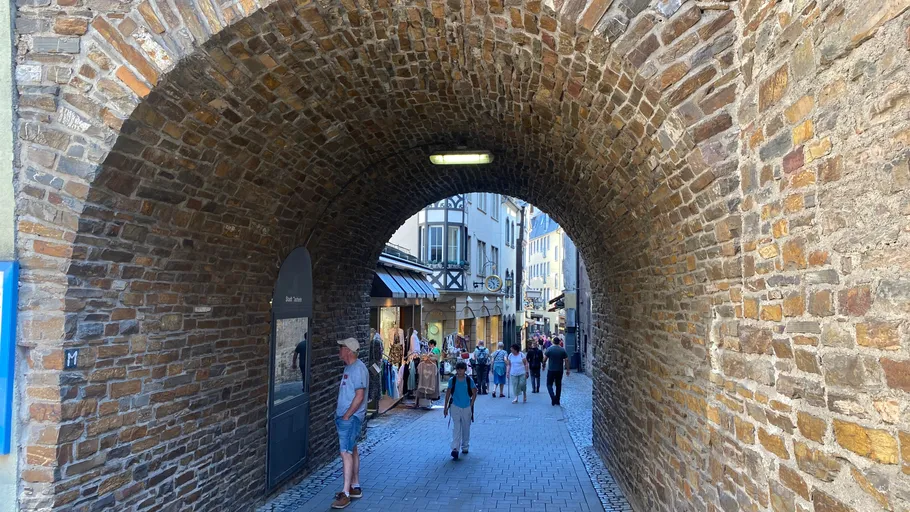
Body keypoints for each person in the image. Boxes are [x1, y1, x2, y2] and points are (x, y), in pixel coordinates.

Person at [331, 338, 369, 510]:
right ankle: (354, 486)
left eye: (341, 347)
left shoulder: (358, 369)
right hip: (348, 418)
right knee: (352, 450)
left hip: (350, 418)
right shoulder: (350, 367)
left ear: (348, 350)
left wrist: (347, 415)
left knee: (345, 452)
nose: (339, 350)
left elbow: (359, 396)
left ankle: (345, 493)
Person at [443, 361, 476, 460]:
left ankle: (465, 446)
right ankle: (455, 448)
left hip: (466, 407)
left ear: (465, 370)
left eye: (462, 369)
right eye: (458, 369)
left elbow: (475, 393)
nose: (460, 371)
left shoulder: (469, 380)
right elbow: (448, 394)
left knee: (466, 427)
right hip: (455, 406)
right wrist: (445, 407)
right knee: (456, 427)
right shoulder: (452, 380)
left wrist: (471, 404)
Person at [543, 337, 570, 406]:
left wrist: (543, 365)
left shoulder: (549, 349)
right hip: (559, 370)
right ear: (559, 342)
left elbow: (545, 359)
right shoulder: (562, 350)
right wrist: (567, 370)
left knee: (549, 384)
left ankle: (553, 397)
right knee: (558, 385)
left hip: (551, 370)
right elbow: (566, 360)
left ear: (553, 342)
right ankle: (557, 400)